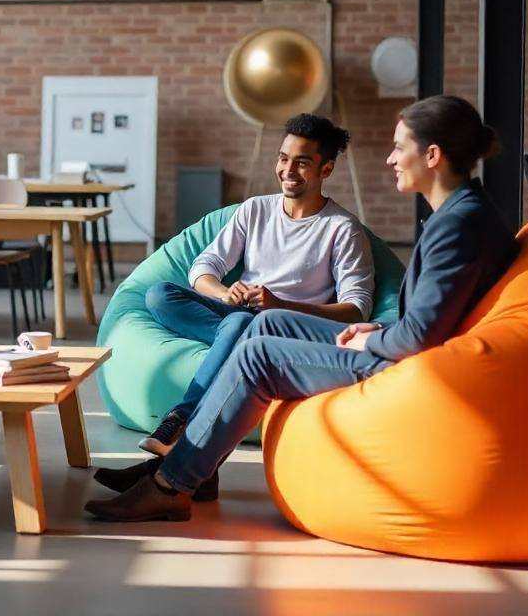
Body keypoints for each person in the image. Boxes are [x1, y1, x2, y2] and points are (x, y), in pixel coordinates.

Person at [86, 95, 520, 522]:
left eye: (398, 147)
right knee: (261, 324)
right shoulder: (461, 214)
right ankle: (184, 465)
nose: (390, 159)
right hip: (402, 348)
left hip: (407, 365)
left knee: (258, 351)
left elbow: (419, 336)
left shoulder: (456, 226)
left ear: (432, 155)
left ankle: (169, 486)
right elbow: (424, 322)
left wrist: (372, 333)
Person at [137, 114, 373, 458]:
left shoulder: (342, 229)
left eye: (302, 162)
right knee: (160, 295)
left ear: (326, 170)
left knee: (240, 322)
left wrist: (279, 305)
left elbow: (356, 307)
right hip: (237, 310)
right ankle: (233, 337)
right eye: (283, 158)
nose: (288, 170)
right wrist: (223, 292)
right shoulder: (255, 210)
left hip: (286, 325)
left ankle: (181, 417)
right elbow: (204, 267)